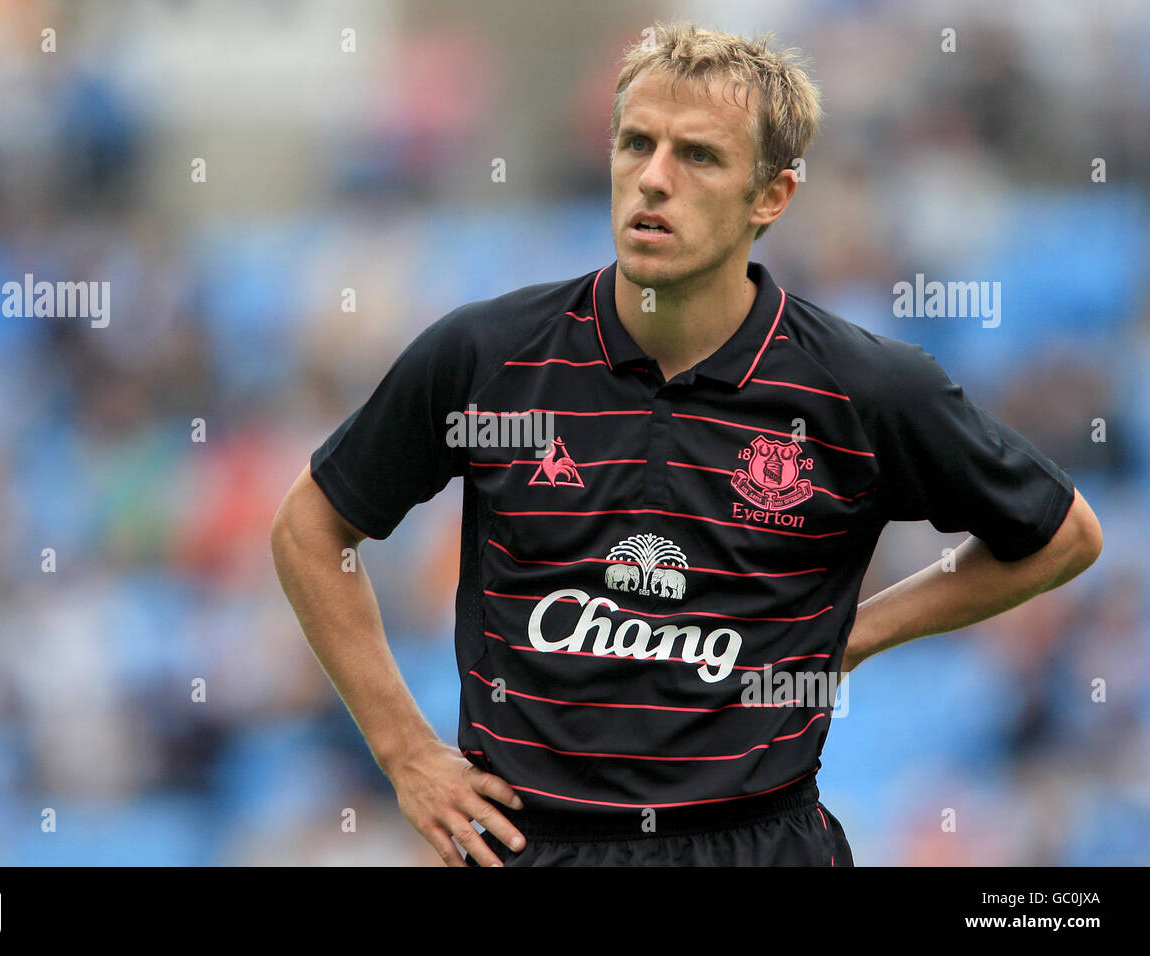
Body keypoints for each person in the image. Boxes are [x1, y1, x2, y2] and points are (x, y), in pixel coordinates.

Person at [271, 21, 1103, 867]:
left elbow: (1060, 535)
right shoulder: (488, 356)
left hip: (759, 846)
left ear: (771, 195)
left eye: (698, 156)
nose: (653, 179)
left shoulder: (866, 388)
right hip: (532, 846)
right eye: (636, 144)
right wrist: (404, 752)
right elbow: (311, 529)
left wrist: (854, 634)